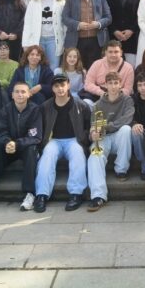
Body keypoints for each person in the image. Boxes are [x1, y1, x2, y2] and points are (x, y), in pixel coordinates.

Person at [0, 82, 43, 211]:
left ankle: (29, 194)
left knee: (32, 151)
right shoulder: (6, 109)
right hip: (8, 146)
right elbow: (0, 132)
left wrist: (17, 144)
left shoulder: (35, 110)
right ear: (12, 95)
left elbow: (35, 136)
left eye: (23, 92)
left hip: (25, 146)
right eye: (17, 92)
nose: (20, 94)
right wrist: (7, 142)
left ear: (29, 94)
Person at [33, 74, 91, 213]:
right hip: (54, 141)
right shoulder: (45, 107)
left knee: (78, 154)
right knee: (47, 156)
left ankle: (76, 194)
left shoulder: (81, 105)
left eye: (62, 85)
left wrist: (83, 137)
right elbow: (39, 126)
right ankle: (42, 195)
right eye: (56, 86)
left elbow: (89, 125)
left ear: (68, 85)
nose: (60, 89)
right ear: (52, 88)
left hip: (74, 140)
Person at [86, 72, 135, 210]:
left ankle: (121, 169)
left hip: (119, 136)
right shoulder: (98, 105)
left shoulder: (127, 100)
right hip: (104, 138)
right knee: (94, 156)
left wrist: (106, 126)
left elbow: (126, 119)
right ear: (105, 85)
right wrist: (93, 133)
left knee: (126, 129)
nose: (113, 86)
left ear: (120, 84)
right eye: (110, 83)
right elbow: (94, 126)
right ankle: (98, 196)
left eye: (116, 83)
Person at [62, 0, 113, 69]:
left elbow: (108, 17)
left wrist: (98, 24)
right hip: (77, 40)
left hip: (97, 41)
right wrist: (78, 24)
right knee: (78, 68)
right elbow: (65, 17)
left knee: (95, 68)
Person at [22, 0, 65, 70]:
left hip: (53, 40)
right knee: (37, 66)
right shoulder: (33, 2)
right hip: (38, 39)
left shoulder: (60, 1)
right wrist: (25, 43)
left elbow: (64, 23)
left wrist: (65, 40)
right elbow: (27, 24)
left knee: (54, 66)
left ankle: (52, 85)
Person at [82, 40, 135, 104]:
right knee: (86, 103)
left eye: (116, 52)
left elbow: (128, 89)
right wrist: (101, 93)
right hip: (97, 95)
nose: (113, 55)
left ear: (121, 53)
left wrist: (113, 95)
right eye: (110, 52)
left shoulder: (128, 68)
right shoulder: (97, 64)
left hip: (118, 97)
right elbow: (88, 84)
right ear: (106, 53)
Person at [106, 0, 141, 66]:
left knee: (130, 66)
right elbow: (107, 16)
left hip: (131, 39)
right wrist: (114, 31)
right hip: (114, 37)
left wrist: (131, 30)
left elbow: (139, 17)